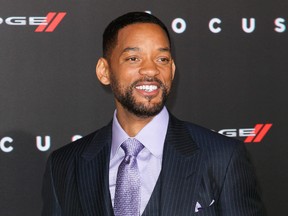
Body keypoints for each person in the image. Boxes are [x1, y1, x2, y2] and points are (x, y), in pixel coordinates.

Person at [42, 12, 266, 216]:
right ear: (104, 71)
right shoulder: (64, 165)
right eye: (133, 58)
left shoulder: (222, 158)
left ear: (173, 70)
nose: (151, 70)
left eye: (162, 59)